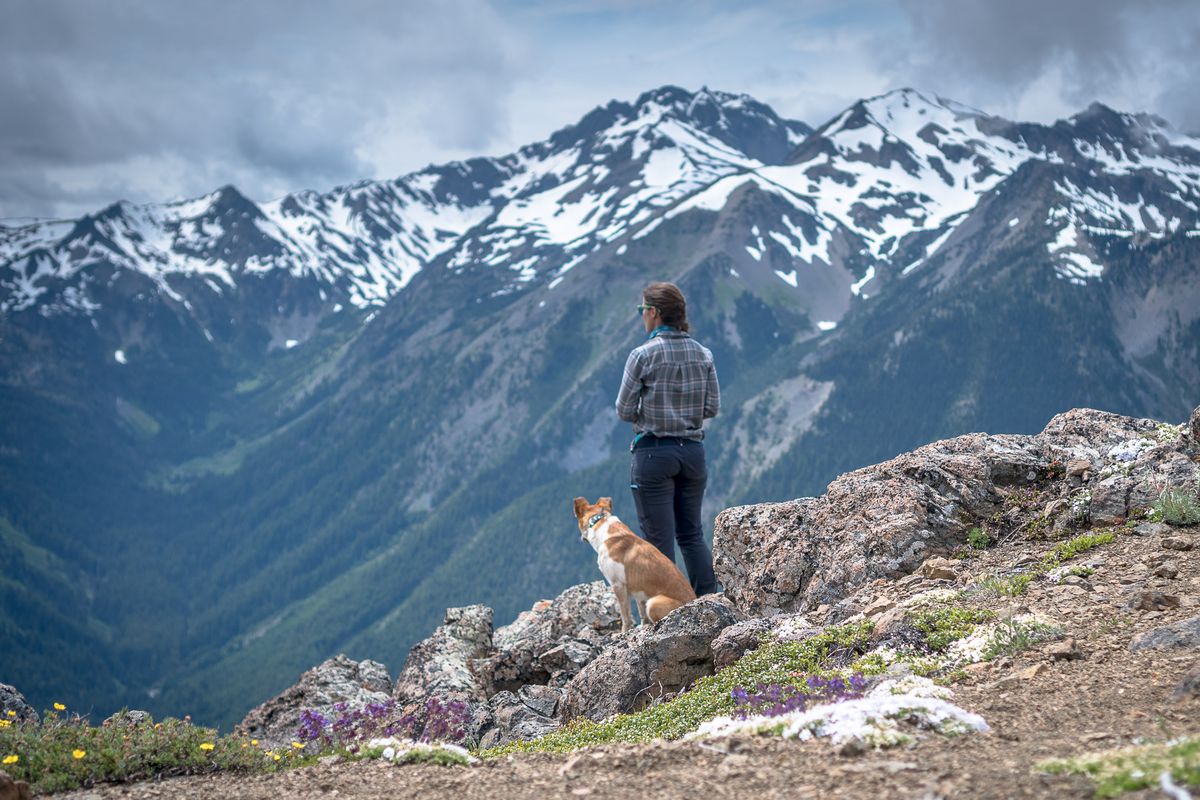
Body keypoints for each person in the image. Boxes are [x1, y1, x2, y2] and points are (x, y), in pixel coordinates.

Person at [614, 281, 720, 596]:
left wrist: (651, 415)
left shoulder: (642, 355)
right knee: (691, 534)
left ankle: (668, 615)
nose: (642, 316)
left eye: (642, 310)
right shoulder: (703, 354)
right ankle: (709, 604)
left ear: (655, 313)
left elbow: (623, 409)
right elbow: (712, 407)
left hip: (653, 454)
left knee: (657, 544)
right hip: (692, 452)